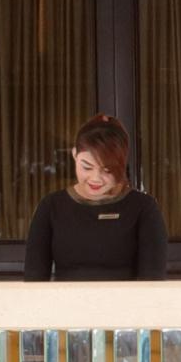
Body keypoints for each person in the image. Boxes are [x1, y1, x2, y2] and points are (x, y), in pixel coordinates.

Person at [22, 117, 161, 278]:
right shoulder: (51, 207)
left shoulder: (143, 207)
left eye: (107, 170)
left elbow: (153, 280)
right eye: (87, 167)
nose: (96, 178)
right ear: (75, 155)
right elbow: (34, 278)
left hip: (126, 296)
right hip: (67, 295)